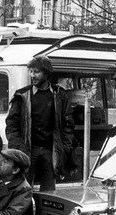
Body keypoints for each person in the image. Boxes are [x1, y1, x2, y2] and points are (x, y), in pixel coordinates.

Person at [5, 55, 74, 191]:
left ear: (47, 73)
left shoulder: (59, 95)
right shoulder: (22, 95)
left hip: (51, 150)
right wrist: (17, 146)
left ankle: (45, 213)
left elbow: (68, 124)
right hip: (28, 150)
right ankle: (25, 212)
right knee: (22, 189)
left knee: (49, 190)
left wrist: (64, 147)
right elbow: (11, 123)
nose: (32, 75)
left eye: (36, 72)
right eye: (31, 71)